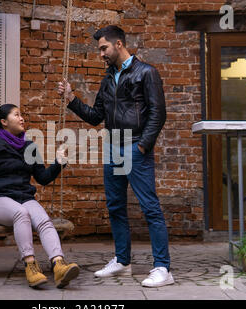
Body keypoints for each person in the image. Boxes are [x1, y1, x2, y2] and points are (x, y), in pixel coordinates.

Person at [57, 25, 173, 287]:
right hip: (112, 148)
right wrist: (70, 98)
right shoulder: (108, 79)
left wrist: (143, 145)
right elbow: (96, 116)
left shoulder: (147, 73)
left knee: (149, 207)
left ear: (119, 44)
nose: (101, 54)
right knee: (115, 207)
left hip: (135, 147)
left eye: (103, 48)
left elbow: (158, 113)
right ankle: (122, 262)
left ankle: (163, 268)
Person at [0, 104, 80, 289]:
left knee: (44, 220)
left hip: (23, 197)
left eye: (22, 115)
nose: (22, 118)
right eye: (16, 115)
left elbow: (42, 178)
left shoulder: (30, 147)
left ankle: (59, 265)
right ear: (4, 122)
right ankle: (30, 266)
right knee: (21, 213)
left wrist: (59, 163)